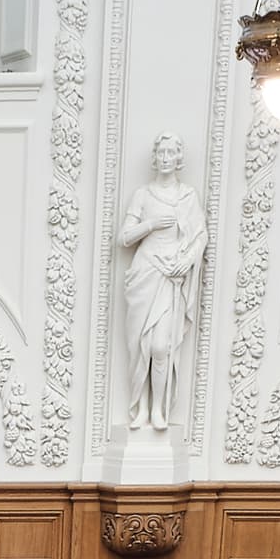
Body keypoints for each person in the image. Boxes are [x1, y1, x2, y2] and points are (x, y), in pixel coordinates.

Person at [117, 134, 207, 437]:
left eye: (172, 152)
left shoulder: (187, 196)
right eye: (162, 152)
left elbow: (200, 236)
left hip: (171, 275)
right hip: (146, 271)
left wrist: (187, 261)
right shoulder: (144, 195)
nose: (166, 157)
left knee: (159, 346)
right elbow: (125, 237)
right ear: (156, 156)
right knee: (138, 343)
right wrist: (152, 225)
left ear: (178, 156)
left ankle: (158, 407)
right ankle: (139, 405)